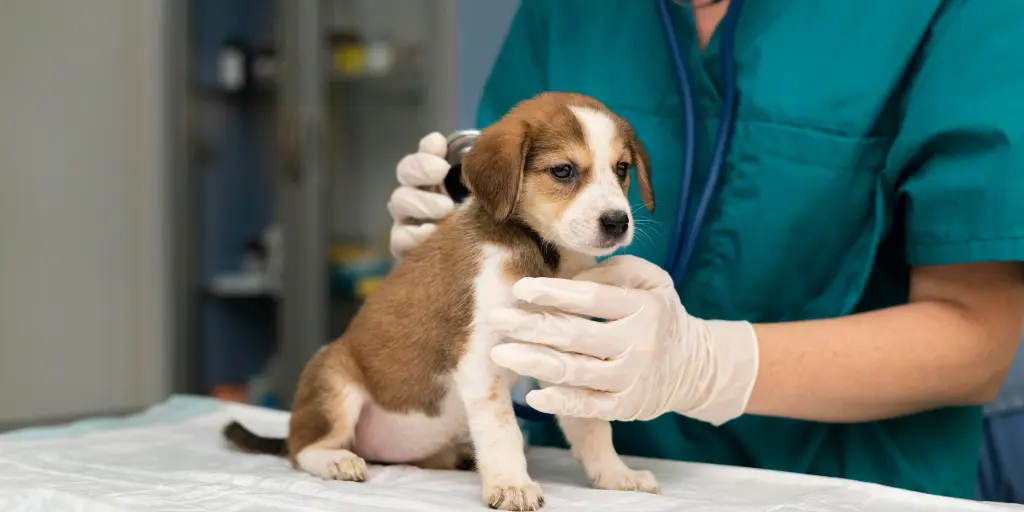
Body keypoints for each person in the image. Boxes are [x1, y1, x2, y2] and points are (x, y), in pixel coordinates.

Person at [387, 0, 1024, 501]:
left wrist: (708, 364)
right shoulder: (567, 7)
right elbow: (517, 202)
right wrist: (461, 248)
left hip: (844, 484)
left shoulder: (952, 11)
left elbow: (978, 340)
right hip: (584, 479)